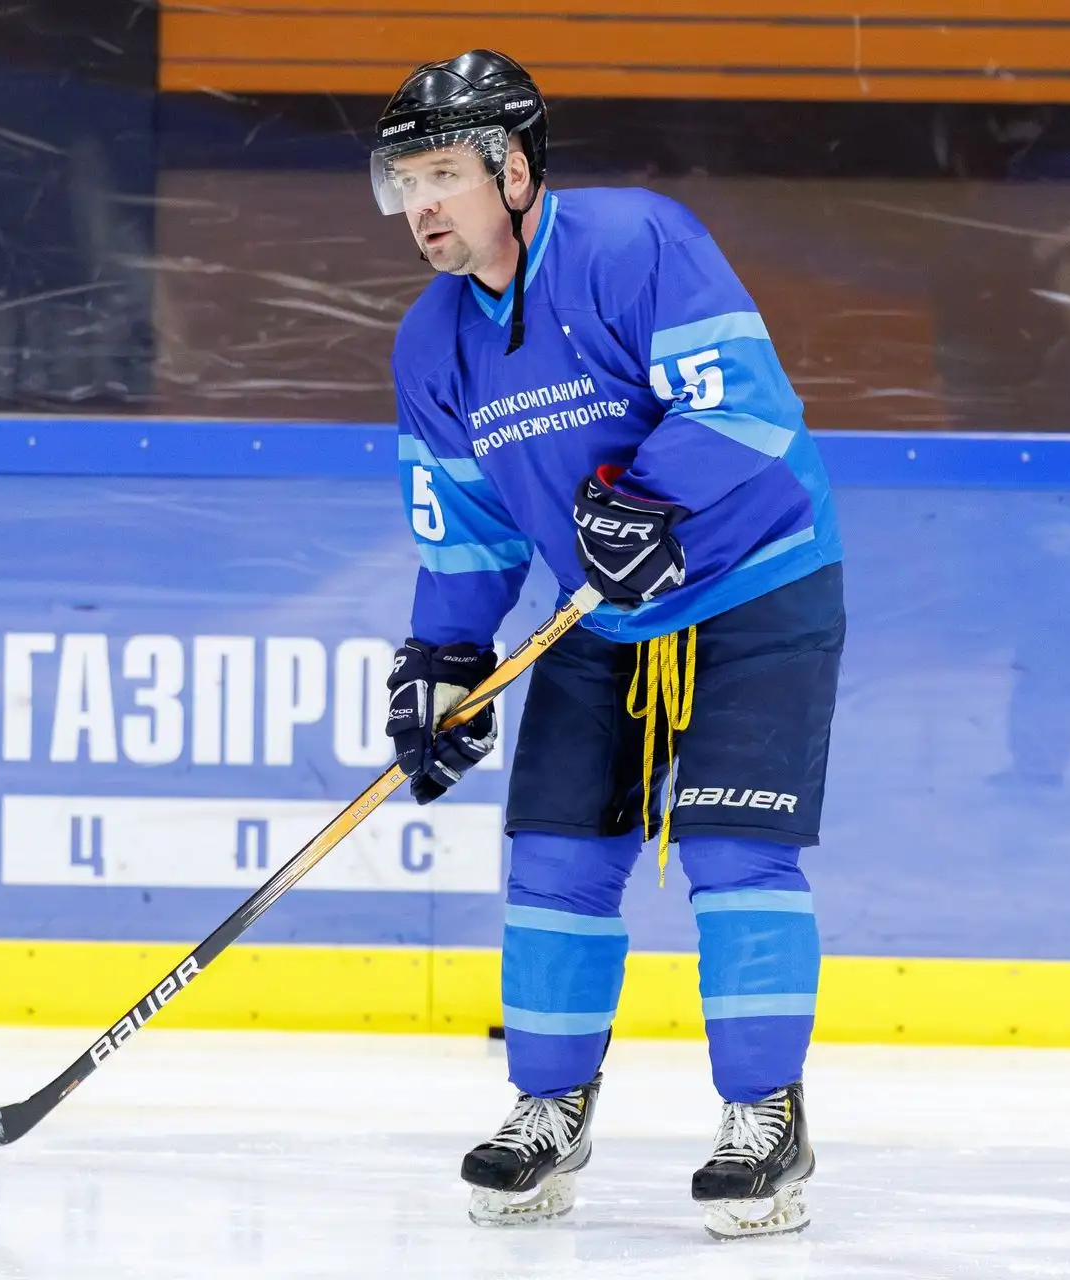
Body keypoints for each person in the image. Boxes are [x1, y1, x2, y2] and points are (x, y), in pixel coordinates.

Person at [372, 51, 845, 1240]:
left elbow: (744, 403)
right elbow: (470, 528)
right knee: (555, 859)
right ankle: (549, 1106)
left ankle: (765, 1115)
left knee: (734, 852)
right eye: (405, 182)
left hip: (755, 585)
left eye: (444, 175)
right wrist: (444, 660)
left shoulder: (636, 243)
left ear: (515, 170)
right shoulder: (432, 345)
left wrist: (651, 497)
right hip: (608, 611)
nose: (423, 205)